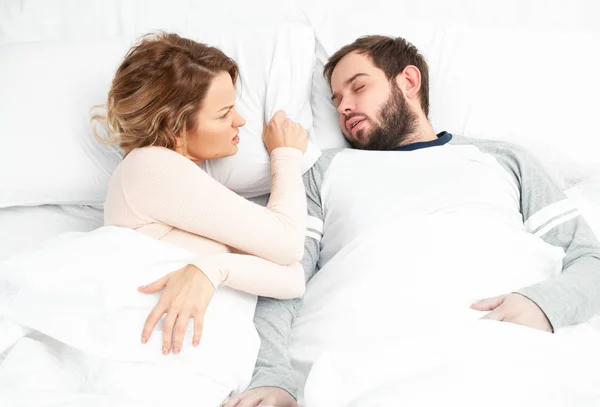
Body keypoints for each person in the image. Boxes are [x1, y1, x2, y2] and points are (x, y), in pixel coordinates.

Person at [225, 34, 600, 407]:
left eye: (358, 88)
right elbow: (284, 279)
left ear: (408, 81)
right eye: (337, 101)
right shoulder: (323, 170)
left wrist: (544, 304)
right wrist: (273, 376)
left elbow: (589, 259)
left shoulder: (503, 158)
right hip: (367, 361)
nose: (344, 107)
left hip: (507, 351)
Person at [96, 32, 310, 356]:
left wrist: (213, 269)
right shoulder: (148, 166)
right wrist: (286, 155)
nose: (240, 121)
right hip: (144, 351)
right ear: (174, 126)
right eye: (223, 114)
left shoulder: (184, 185)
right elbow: (288, 243)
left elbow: (293, 279)